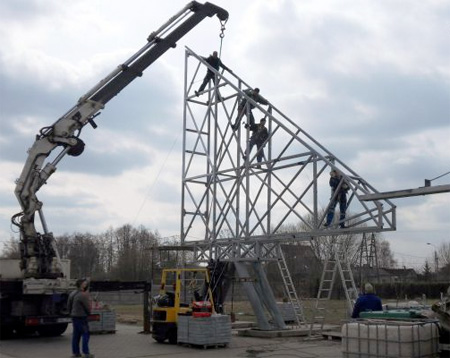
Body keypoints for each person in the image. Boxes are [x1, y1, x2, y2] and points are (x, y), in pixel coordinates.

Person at [68, 278, 94, 358]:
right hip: (81, 317)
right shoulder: (83, 295)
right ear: (81, 285)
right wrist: (89, 313)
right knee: (85, 334)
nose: (86, 284)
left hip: (74, 316)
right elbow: (87, 307)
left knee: (76, 335)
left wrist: (71, 313)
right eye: (84, 283)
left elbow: (69, 305)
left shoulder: (72, 293)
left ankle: (75, 353)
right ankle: (86, 353)